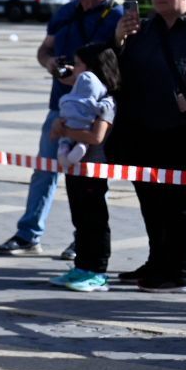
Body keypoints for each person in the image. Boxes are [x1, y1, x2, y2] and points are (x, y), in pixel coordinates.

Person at [0, 0, 120, 257]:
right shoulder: (65, 12)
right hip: (59, 107)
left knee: (88, 182)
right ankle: (28, 234)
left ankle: (83, 239)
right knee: (44, 170)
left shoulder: (117, 17)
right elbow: (44, 49)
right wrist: (49, 63)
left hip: (94, 116)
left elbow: (121, 67)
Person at [111, 0, 186, 293]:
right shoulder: (146, 29)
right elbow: (120, 72)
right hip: (145, 132)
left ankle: (181, 273)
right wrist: (118, 39)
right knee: (151, 201)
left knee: (183, 204)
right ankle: (158, 263)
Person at [45, 45, 120, 293]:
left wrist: (66, 131)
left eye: (78, 65)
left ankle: (97, 271)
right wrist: (60, 125)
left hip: (93, 169)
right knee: (80, 218)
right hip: (76, 170)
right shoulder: (78, 100)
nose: (73, 70)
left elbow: (96, 137)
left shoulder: (106, 102)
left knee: (94, 219)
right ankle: (82, 266)